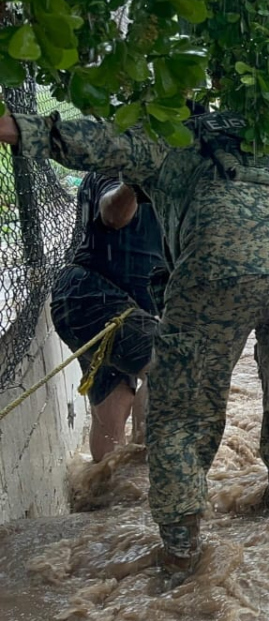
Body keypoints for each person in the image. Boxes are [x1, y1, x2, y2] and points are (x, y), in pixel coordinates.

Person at [0, 106, 269, 589]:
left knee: (182, 406)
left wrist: (21, 127)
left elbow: (102, 142)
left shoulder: (174, 136)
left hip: (223, 254)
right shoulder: (267, 138)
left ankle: (181, 556)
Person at [50, 173, 165, 462]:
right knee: (168, 367)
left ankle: (107, 497)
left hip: (88, 303)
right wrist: (136, 183)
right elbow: (113, 214)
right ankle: (145, 483)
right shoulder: (117, 167)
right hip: (94, 298)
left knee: (112, 409)